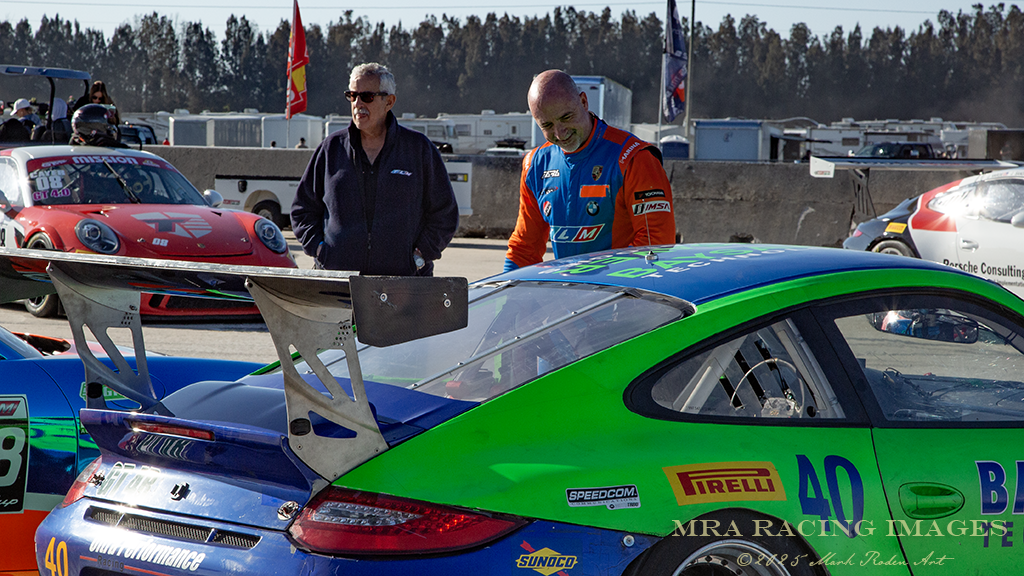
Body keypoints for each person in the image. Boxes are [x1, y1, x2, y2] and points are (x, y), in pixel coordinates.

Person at [291, 62, 458, 275]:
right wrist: (321, 250)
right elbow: (302, 210)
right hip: (339, 286)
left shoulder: (418, 149)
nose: (358, 103)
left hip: (403, 288)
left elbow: (445, 214)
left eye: (367, 96)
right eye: (352, 96)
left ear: (389, 101)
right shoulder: (331, 149)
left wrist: (419, 256)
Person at [504, 70, 676, 271]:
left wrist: (599, 290)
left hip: (626, 296)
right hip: (575, 297)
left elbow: (655, 246)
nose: (560, 133)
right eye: (547, 125)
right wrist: (508, 298)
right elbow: (524, 249)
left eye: (566, 117)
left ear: (584, 102)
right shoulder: (535, 165)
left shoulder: (634, 157)